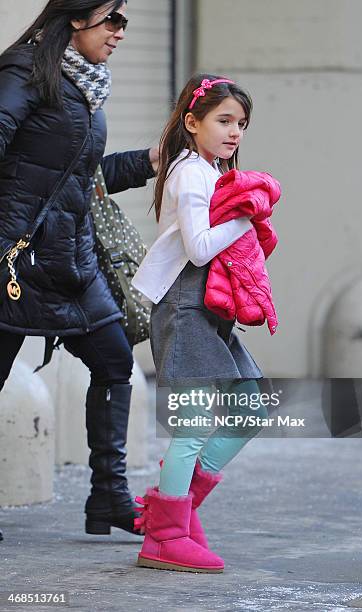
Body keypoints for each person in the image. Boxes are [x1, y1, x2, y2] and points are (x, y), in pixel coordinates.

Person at [0, 0, 159, 539]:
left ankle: (109, 497)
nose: (120, 32)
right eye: (112, 19)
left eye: (124, 22)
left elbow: (80, 181)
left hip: (71, 260)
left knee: (115, 364)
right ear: (75, 16)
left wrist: (150, 164)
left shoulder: (86, 88)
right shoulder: (26, 72)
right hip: (16, 256)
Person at [132, 74, 280, 572]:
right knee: (193, 428)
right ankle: (165, 537)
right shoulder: (191, 172)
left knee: (252, 406)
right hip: (184, 307)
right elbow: (198, 248)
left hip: (210, 311)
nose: (235, 131)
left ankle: (176, 506)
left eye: (241, 123)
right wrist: (247, 218)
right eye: (224, 120)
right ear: (192, 122)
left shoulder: (213, 171)